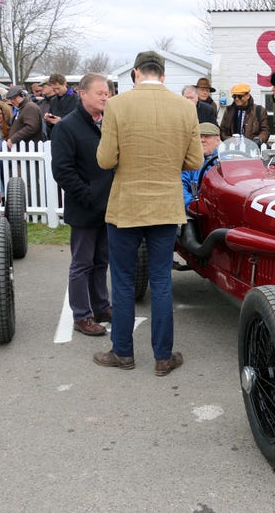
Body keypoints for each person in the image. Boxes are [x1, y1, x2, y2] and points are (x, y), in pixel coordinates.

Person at [95, 51, 203, 375]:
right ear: (164, 75)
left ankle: (123, 353)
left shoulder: (116, 105)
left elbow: (105, 160)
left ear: (136, 73)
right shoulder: (186, 107)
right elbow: (195, 161)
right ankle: (162, 357)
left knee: (124, 281)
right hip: (166, 206)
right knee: (161, 282)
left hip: (126, 205)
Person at [51, 73, 114, 337]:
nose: (105, 97)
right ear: (82, 93)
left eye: (107, 93)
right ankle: (82, 315)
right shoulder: (67, 127)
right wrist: (89, 197)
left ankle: (101, 306)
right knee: (82, 263)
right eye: (100, 93)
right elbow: (62, 171)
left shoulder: (109, 123)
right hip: (85, 207)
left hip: (108, 207)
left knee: (102, 261)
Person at [182, 122, 221, 208]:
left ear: (218, 141)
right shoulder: (189, 161)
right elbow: (181, 186)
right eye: (199, 136)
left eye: (207, 136)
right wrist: (192, 205)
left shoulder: (225, 161)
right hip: (197, 209)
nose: (202, 140)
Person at [45, 73, 79, 137]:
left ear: (65, 84)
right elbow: (49, 125)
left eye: (58, 88)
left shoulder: (76, 99)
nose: (57, 92)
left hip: (71, 137)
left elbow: (79, 120)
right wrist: (48, 119)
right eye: (54, 89)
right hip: (56, 136)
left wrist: (61, 121)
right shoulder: (53, 100)